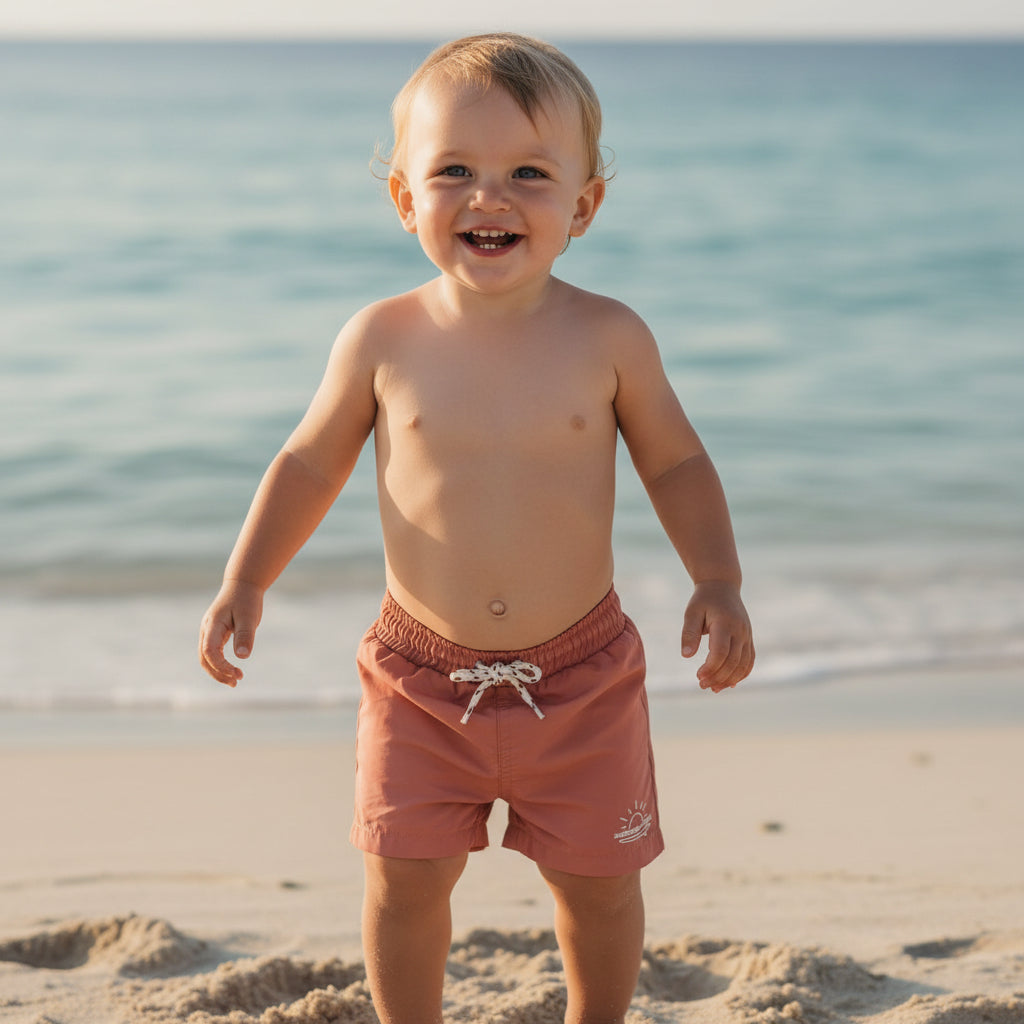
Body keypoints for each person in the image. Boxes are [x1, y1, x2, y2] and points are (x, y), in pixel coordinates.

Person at [199, 32, 754, 1024]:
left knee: (598, 886)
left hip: (582, 678)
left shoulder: (610, 336)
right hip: (418, 677)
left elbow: (674, 460)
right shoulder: (380, 338)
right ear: (405, 200)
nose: (488, 197)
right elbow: (308, 461)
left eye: (528, 174)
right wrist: (248, 579)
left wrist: (716, 579)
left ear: (583, 206)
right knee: (403, 882)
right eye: (453, 170)